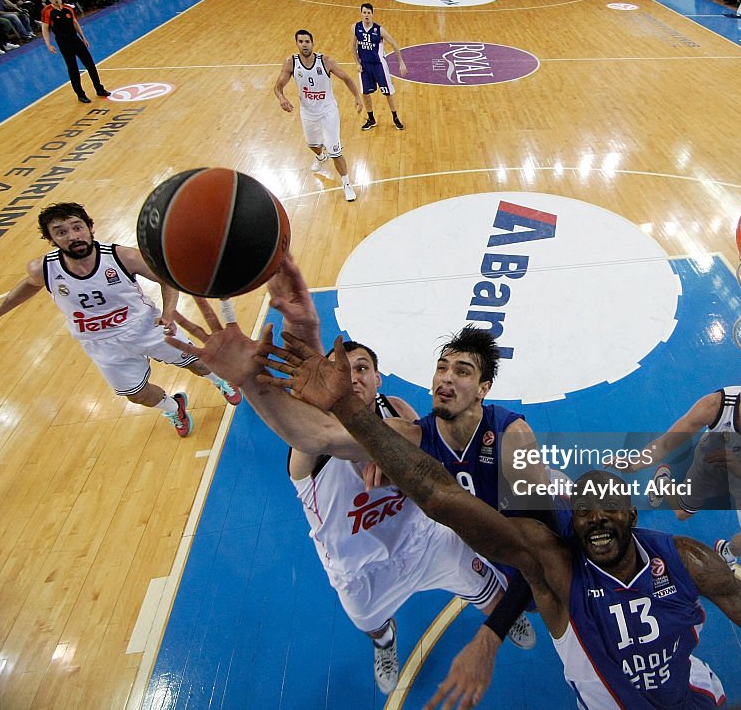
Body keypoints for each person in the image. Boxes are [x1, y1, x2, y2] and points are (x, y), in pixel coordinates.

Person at [253, 341, 741, 708]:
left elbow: (536, 542)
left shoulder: (513, 442)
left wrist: (491, 634)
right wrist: (248, 379)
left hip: (543, 535)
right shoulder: (412, 431)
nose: (445, 379)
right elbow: (318, 438)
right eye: (440, 370)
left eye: (461, 370)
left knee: (529, 566)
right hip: (503, 540)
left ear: (483, 389)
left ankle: (513, 604)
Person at [167, 264, 522, 696]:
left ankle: (506, 618)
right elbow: (319, 428)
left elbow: (421, 457)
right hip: (361, 569)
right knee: (375, 627)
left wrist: (399, 469)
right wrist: (273, 354)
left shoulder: (400, 414)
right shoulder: (312, 451)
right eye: (344, 368)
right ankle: (386, 643)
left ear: (377, 378)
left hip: (426, 542)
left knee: (495, 594)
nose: (353, 376)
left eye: (362, 368)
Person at [0, 202, 241, 438]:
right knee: (136, 395)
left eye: (77, 227)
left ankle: (222, 382)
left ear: (90, 228)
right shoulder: (44, 268)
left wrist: (167, 312)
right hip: (101, 344)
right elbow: (29, 285)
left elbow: (167, 280)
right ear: (51, 239)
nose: (72, 235)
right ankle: (173, 405)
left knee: (199, 362)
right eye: (61, 231)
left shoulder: (122, 257)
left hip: (144, 328)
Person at [624, 356, 741, 570]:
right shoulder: (716, 404)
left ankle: (726, 551)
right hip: (712, 463)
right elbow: (666, 443)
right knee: (682, 513)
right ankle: (662, 482)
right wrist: (635, 463)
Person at [274, 29, 362, 202]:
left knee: (336, 151)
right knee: (312, 145)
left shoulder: (326, 61)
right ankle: (321, 157)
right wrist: (282, 98)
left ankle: (346, 184)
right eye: (301, 41)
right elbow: (278, 87)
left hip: (328, 111)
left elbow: (347, 78)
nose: (304, 44)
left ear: (313, 44)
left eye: (307, 41)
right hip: (307, 112)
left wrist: (357, 97)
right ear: (297, 43)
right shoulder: (291, 63)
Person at [40, 0, 110, 103]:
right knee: (73, 68)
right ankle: (80, 94)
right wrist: (48, 44)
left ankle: (99, 89)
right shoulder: (47, 11)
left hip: (75, 39)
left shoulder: (68, 8)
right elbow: (45, 28)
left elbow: (75, 23)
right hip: (63, 42)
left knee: (90, 64)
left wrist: (83, 38)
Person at [352, 2, 407, 131]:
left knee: (387, 92)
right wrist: (357, 63)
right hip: (364, 66)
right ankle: (371, 119)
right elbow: (352, 47)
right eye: (364, 12)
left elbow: (394, 43)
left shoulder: (379, 29)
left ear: (372, 14)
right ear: (361, 13)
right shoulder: (356, 28)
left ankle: (395, 117)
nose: (366, 15)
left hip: (379, 66)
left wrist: (401, 63)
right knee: (365, 93)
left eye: (368, 13)